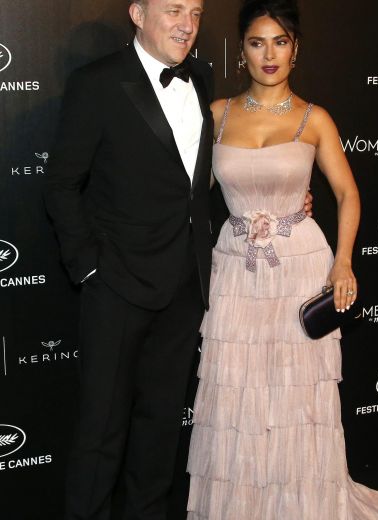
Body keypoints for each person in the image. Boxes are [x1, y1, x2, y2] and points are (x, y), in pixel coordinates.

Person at [186, 0, 378, 518]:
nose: (269, 54)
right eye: (257, 42)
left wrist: (342, 263)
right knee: (237, 392)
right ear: (241, 52)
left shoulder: (314, 118)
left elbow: (347, 193)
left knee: (296, 395)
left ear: (295, 49)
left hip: (300, 265)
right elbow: (190, 196)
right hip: (235, 269)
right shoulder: (217, 114)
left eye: (280, 42)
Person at [44, 1, 214, 518]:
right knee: (101, 433)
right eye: (174, 10)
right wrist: (89, 267)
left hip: (184, 286)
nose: (187, 24)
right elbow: (61, 185)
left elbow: (197, 180)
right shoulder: (96, 83)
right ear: (138, 13)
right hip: (117, 286)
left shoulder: (202, 78)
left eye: (196, 12)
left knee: (160, 431)